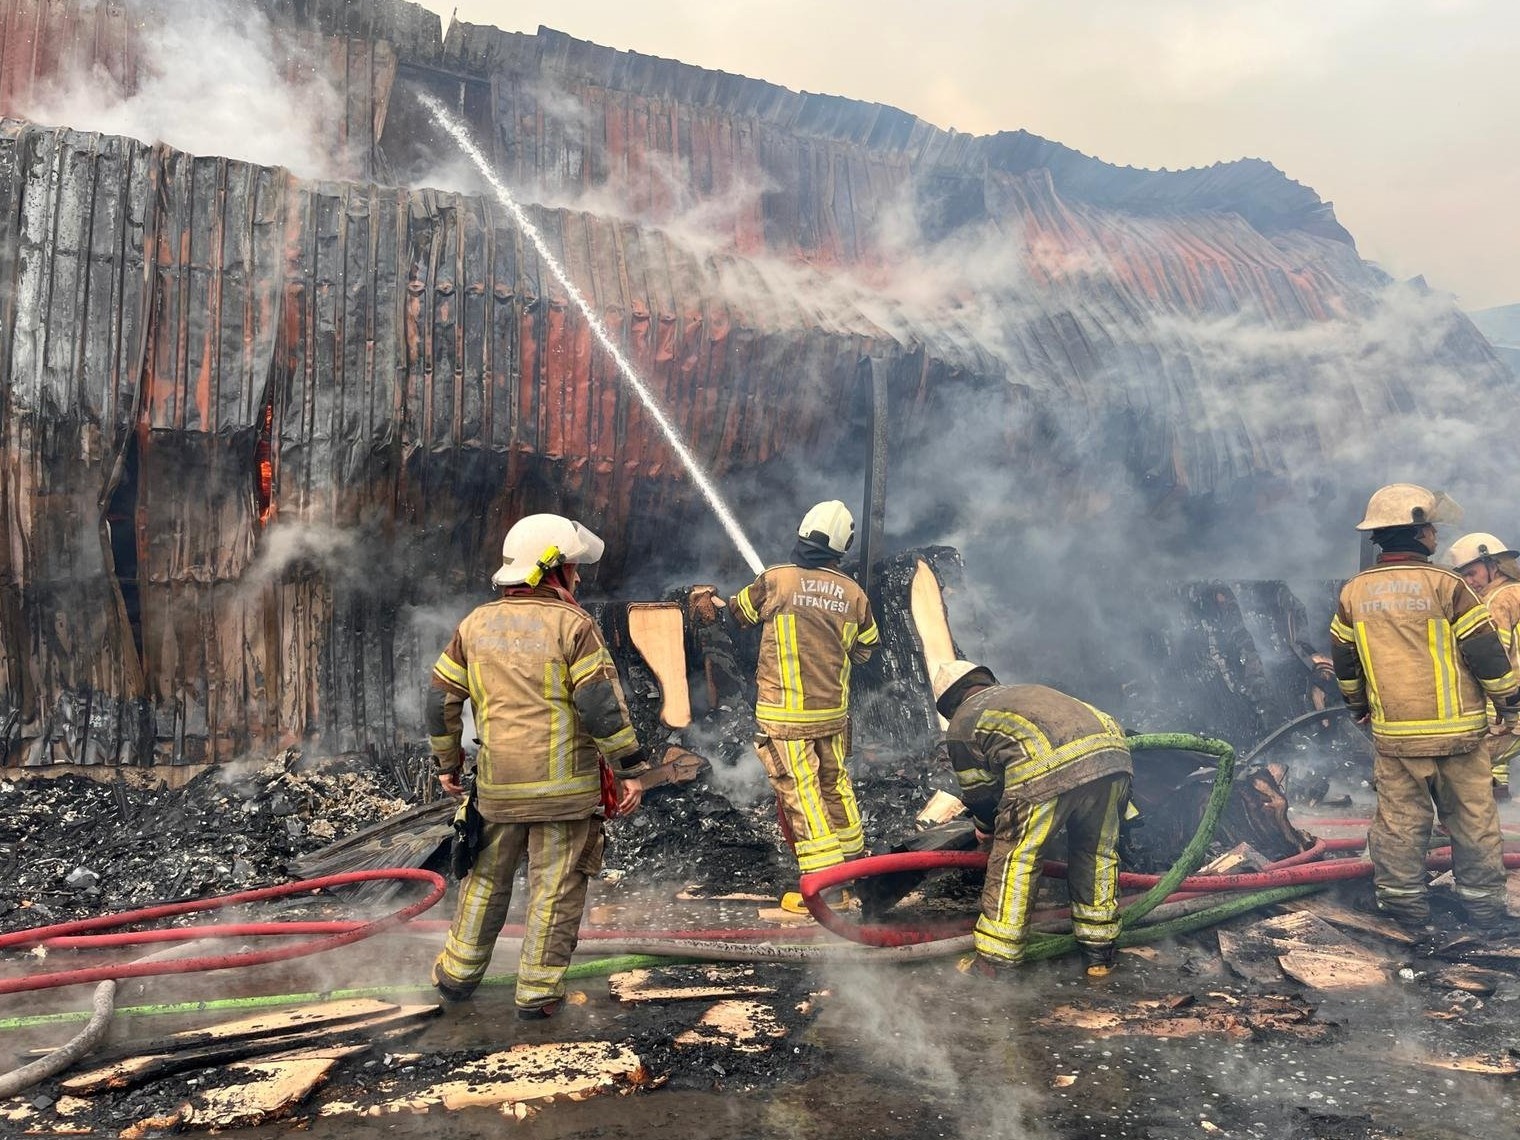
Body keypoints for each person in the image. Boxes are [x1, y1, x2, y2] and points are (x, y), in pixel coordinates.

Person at [427, 513, 649, 1018]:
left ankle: (456, 979)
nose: (577, 575)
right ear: (552, 570)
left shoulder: (474, 624)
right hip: (565, 796)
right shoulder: (573, 626)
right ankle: (537, 997)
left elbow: (439, 698)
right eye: (571, 566)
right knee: (555, 890)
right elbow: (599, 704)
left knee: (484, 880)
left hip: (498, 791)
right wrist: (630, 765)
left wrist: (447, 762)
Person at [1329, 485, 1520, 937]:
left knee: (1399, 826)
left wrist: (1357, 705)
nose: (1436, 534)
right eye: (1431, 527)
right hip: (1460, 739)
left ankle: (1405, 914)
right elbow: (1487, 655)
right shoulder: (1447, 586)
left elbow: (1343, 659)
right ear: (1418, 533)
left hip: (1396, 739)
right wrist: (1509, 707)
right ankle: (1484, 914)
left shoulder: (1354, 592)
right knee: (1473, 823)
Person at [931, 660, 1133, 978]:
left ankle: (995, 962)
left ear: (949, 704)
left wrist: (986, 829)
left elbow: (981, 794)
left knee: (1016, 858)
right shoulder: (1018, 693)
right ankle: (1099, 954)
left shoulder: (963, 723)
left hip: (1046, 769)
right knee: (1097, 853)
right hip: (1113, 756)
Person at [728, 501, 880, 892]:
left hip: (784, 714)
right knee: (835, 784)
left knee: (802, 791)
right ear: (842, 546)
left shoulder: (776, 579)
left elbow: (741, 612)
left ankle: (824, 886)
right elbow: (866, 648)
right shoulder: (853, 594)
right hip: (832, 713)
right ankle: (855, 873)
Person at [1443, 532, 1520, 798]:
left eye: (1472, 573)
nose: (1469, 582)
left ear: (1493, 565)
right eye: (1463, 576)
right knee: (1494, 767)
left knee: (1472, 764)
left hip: (1509, 697)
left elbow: (1494, 658)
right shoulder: (1516, 592)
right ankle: (1499, 803)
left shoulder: (1497, 601)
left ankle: (1477, 826)